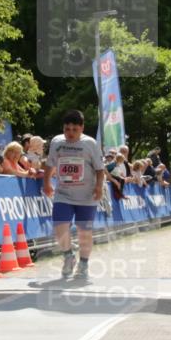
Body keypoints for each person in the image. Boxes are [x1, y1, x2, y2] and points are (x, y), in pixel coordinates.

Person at [43, 109, 105, 280]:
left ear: (82, 128)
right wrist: (47, 182)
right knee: (59, 226)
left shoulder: (90, 144)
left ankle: (83, 264)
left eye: (74, 130)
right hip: (63, 193)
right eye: (67, 129)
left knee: (84, 232)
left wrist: (99, 187)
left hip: (87, 196)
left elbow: (100, 170)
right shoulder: (57, 142)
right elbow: (50, 165)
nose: (70, 133)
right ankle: (68, 256)